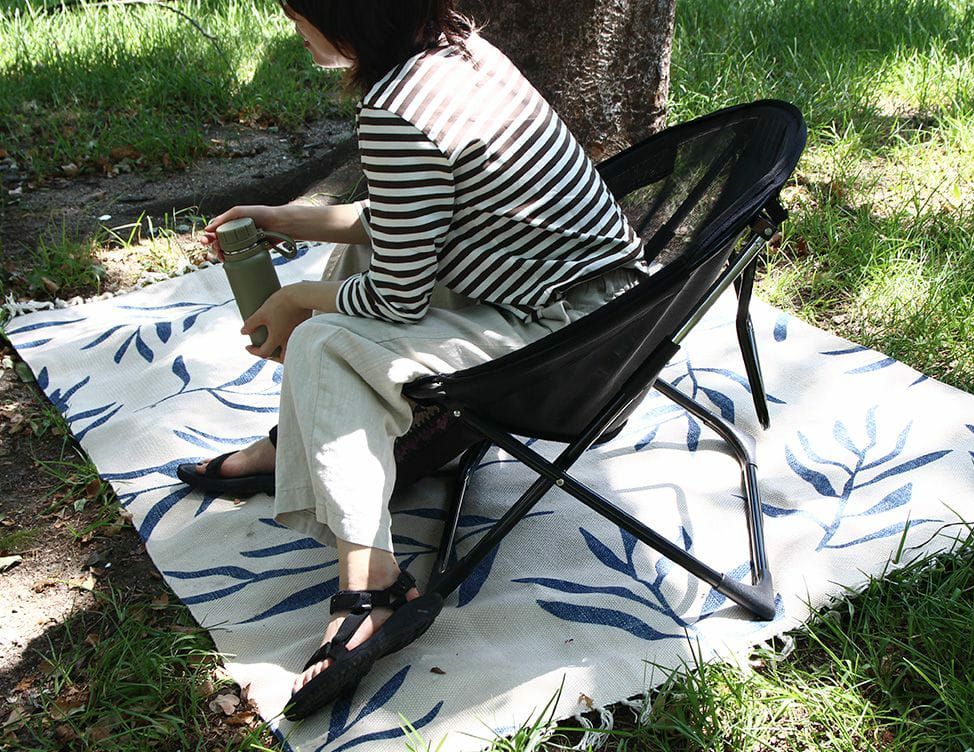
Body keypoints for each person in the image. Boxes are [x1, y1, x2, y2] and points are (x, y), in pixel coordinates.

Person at [176, 0, 645, 720]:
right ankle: (301, 443)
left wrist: (296, 300)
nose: (295, 30)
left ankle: (374, 586)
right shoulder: (457, 53)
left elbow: (396, 297)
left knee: (323, 340)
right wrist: (279, 218)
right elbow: (409, 224)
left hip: (573, 348)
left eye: (298, 14)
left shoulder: (397, 110)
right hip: (617, 309)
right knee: (347, 274)